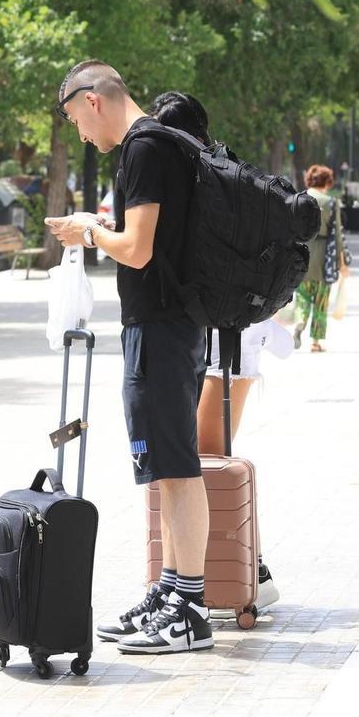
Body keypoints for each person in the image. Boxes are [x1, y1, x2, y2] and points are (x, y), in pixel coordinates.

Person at [44, 60, 213, 655]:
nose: (80, 134)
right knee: (164, 468)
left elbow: (138, 250)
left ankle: (190, 608)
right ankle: (171, 591)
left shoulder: (143, 148)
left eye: (75, 120)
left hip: (162, 327)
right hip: (167, 324)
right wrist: (98, 226)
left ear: (93, 100)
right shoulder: (156, 145)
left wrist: (89, 233)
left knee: (176, 468)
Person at [149, 91, 287, 611]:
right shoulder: (225, 172)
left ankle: (243, 572)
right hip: (237, 335)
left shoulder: (196, 178)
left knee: (204, 458)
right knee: (209, 457)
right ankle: (239, 569)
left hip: (217, 339)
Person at [294, 165, 348, 352]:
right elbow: (338, 234)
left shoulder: (299, 199)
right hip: (324, 255)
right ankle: (315, 342)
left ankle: (300, 320)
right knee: (321, 300)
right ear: (328, 181)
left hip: (302, 253)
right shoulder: (331, 202)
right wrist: (342, 263)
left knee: (302, 295)